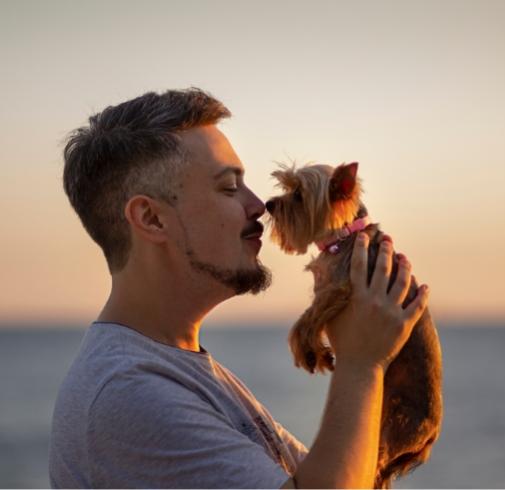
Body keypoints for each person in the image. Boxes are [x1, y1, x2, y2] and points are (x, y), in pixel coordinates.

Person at [49, 88, 430, 489]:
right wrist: (361, 363)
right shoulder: (131, 395)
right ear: (151, 219)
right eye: (230, 187)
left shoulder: (186, 372)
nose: (258, 206)